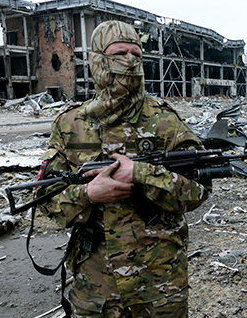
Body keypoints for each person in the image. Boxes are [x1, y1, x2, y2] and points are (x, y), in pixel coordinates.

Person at [37, 20, 210, 318]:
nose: (130, 62)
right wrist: (89, 194)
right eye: (119, 54)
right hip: (96, 285)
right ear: (98, 60)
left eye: (137, 55)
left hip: (159, 282)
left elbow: (198, 192)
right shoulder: (70, 125)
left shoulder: (165, 121)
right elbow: (45, 198)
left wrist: (142, 174)